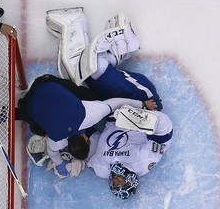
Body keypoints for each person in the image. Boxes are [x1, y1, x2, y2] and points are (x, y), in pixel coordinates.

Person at [16, 74, 157, 177]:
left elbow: (117, 102)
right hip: (40, 87)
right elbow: (53, 152)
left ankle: (22, 107)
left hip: (42, 86)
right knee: (37, 128)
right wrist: (59, 163)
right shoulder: (56, 139)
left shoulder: (90, 115)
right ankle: (20, 108)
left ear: (86, 139)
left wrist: (143, 104)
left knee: (94, 100)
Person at [46, 8, 163, 110]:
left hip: (111, 94)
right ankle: (75, 22)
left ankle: (115, 52)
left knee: (83, 72)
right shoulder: (147, 97)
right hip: (142, 99)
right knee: (92, 69)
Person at [86, 107, 173, 200]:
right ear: (130, 180)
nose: (114, 180)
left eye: (114, 184)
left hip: (106, 114)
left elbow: (87, 143)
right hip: (137, 106)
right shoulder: (143, 162)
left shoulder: (100, 169)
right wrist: (135, 115)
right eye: (119, 182)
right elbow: (165, 132)